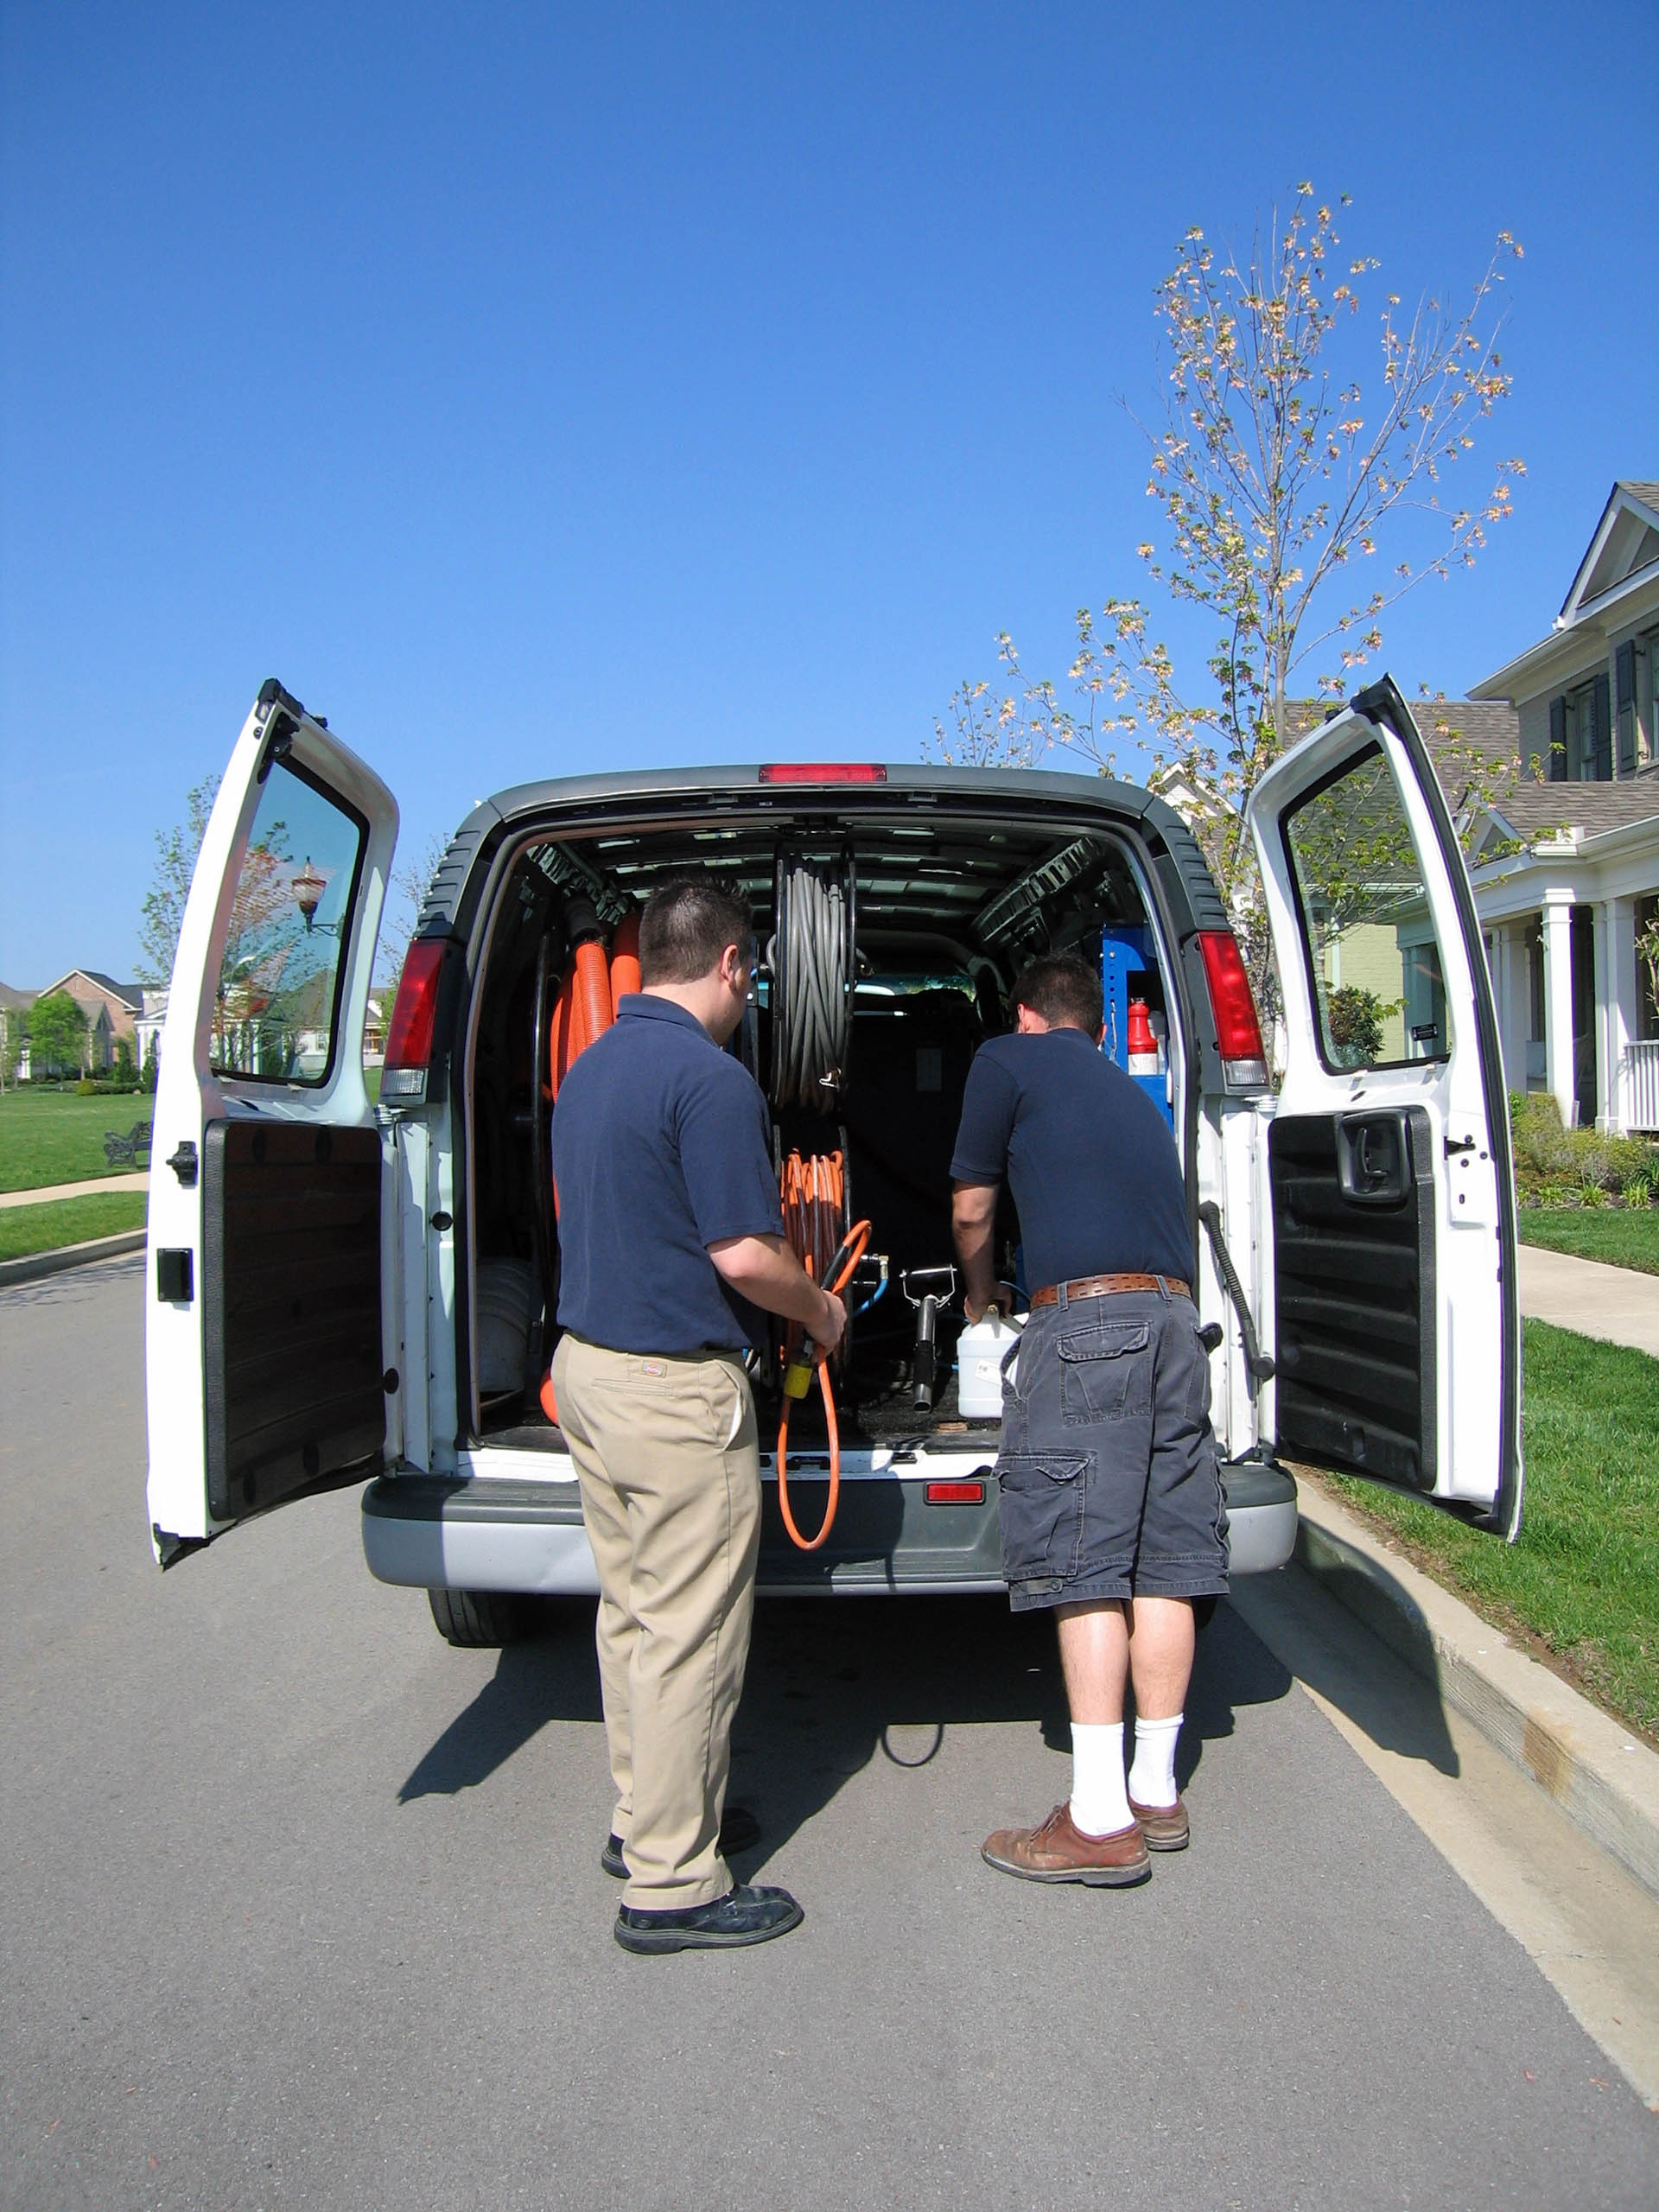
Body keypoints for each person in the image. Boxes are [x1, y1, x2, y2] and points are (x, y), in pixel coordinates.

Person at [550, 878, 848, 1953]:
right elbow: (743, 1252)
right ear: (729, 964)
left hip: (588, 1372)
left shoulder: (590, 1071)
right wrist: (822, 1313)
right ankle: (673, 1886)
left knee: (632, 1616)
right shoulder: (711, 1082)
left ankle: (648, 1822)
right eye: (752, 973)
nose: (753, 989)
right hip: (674, 1393)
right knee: (693, 1635)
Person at [949, 950, 1227, 1886]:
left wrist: (982, 1301)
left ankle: (1099, 1818)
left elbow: (972, 1204)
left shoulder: (1005, 1059)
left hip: (1091, 1326)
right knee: (1168, 1556)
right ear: (1097, 1026)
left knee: (1085, 1558)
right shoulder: (1131, 1095)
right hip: (1177, 1326)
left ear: (1025, 1015)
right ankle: (1155, 1787)